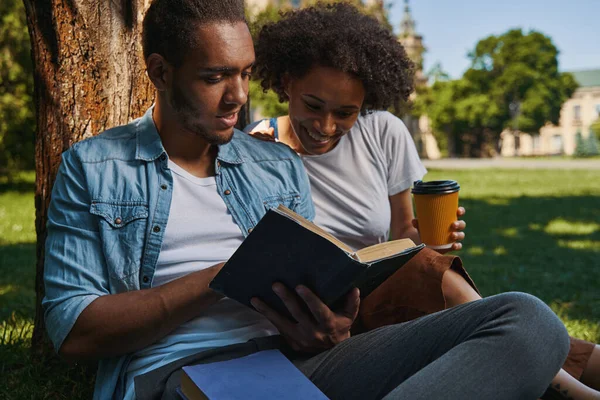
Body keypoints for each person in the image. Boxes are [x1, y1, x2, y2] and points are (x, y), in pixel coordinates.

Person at [43, 0, 570, 399]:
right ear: (160, 72)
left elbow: (325, 309)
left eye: (246, 73)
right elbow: (75, 331)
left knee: (528, 321)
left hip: (299, 364)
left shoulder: (276, 165)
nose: (238, 97)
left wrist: (330, 324)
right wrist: (220, 278)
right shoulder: (93, 168)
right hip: (184, 374)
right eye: (214, 77)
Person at [245, 3, 599, 399]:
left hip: (384, 291)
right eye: (314, 106)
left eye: (346, 113)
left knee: (425, 264)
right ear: (287, 82)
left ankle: (562, 371)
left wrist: (435, 238)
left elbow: (404, 235)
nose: (326, 127)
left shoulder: (383, 132)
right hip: (319, 315)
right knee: (454, 292)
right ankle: (569, 388)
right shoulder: (254, 147)